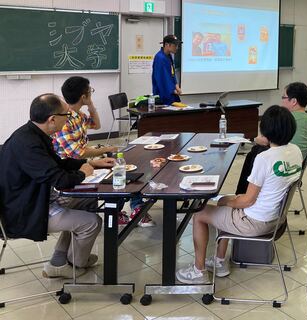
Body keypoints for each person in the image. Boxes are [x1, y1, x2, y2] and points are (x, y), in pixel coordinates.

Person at [177, 105, 303, 283]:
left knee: (200, 213)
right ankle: (219, 261)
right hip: (277, 219)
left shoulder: (265, 158)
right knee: (226, 206)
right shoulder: (296, 151)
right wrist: (230, 201)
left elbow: (247, 201)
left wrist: (225, 201)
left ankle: (198, 271)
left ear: (265, 131)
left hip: (255, 222)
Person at [0, 94, 101, 278]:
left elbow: (58, 163)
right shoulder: (28, 145)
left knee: (87, 200)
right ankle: (76, 264)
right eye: (67, 115)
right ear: (52, 119)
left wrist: (90, 163)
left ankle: (59, 261)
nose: (68, 119)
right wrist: (83, 173)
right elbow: (59, 179)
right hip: (24, 211)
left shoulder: (32, 133)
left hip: (33, 197)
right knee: (92, 222)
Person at [52, 76, 155, 227]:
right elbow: (78, 153)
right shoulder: (65, 120)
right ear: (83, 96)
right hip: (71, 168)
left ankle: (135, 207)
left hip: (82, 162)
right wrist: (107, 149)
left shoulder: (78, 115)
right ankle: (118, 211)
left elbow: (96, 125)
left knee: (126, 164)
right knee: (117, 169)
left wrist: (90, 105)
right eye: (90, 91)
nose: (91, 93)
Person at [235, 82, 307, 194]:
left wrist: (255, 139)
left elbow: (265, 140)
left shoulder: (286, 120)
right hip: (297, 168)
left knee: (255, 152)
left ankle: (242, 194)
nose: (282, 101)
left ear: (294, 101)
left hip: (281, 165)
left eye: (284, 97)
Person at [152, 34, 182, 105]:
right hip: (163, 95)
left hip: (170, 93)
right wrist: (173, 90)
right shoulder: (160, 58)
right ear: (167, 45)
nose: (177, 48)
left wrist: (176, 86)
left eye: (177, 45)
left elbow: (172, 73)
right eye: (175, 45)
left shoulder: (168, 56)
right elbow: (162, 79)